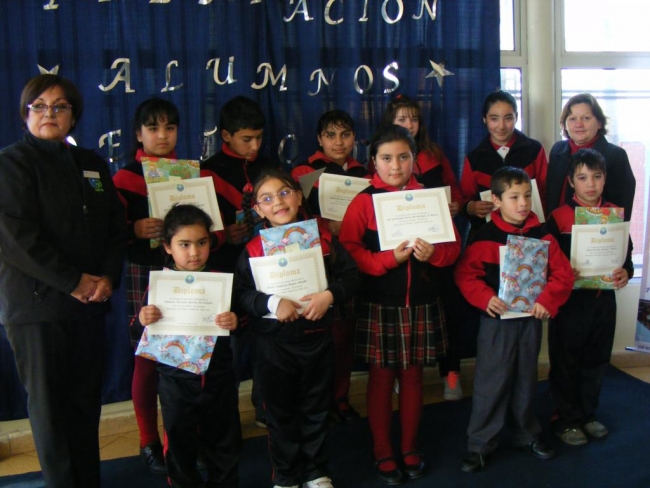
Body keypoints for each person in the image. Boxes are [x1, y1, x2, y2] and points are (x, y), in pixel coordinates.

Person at [0, 74, 126, 487]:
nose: (49, 114)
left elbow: (113, 227)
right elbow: (16, 239)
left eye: (60, 106)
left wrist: (106, 277)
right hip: (37, 309)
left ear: (74, 115)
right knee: (51, 412)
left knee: (84, 406)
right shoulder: (11, 163)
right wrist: (74, 281)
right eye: (39, 105)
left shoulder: (91, 163)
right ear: (25, 115)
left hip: (88, 304)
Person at [339, 125, 461, 485]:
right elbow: (349, 251)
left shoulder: (430, 197)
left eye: (404, 157)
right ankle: (382, 449)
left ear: (413, 159)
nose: (396, 166)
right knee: (380, 379)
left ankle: (409, 446)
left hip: (422, 302)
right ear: (373, 161)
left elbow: (453, 249)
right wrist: (387, 260)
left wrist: (434, 254)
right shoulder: (363, 201)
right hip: (381, 303)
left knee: (413, 378)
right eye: (387, 158)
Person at [235, 169, 360, 488]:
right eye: (267, 198)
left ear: (299, 195)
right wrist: (272, 302)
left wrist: (329, 295)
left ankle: (316, 472)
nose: (278, 201)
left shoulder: (325, 240)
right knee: (280, 414)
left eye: (285, 192)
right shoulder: (252, 249)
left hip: (317, 339)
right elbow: (241, 295)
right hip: (274, 347)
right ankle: (287, 476)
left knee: (317, 409)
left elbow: (352, 277)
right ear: (258, 209)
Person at [454, 166, 574, 474]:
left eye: (527, 196)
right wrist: (485, 298)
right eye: (514, 197)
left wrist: (547, 302)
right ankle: (481, 444)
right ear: (496, 200)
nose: (523, 203)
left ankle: (526, 434)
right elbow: (466, 275)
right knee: (491, 382)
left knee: (525, 379)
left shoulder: (543, 234)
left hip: (530, 321)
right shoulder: (484, 236)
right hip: (497, 323)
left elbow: (562, 275)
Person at [134, 204, 242, 488]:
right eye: (184, 244)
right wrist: (144, 318)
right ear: (167, 247)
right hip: (175, 382)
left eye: (202, 242)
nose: (194, 252)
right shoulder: (159, 285)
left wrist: (236, 321)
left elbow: (245, 321)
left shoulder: (221, 281)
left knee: (224, 443)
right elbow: (138, 327)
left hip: (218, 378)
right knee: (180, 447)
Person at [544, 149, 633, 446]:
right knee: (566, 361)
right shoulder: (558, 218)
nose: (591, 184)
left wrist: (626, 273)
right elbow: (544, 263)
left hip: (603, 301)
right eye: (583, 178)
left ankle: (588, 414)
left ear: (605, 179)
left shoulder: (615, 215)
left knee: (596, 360)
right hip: (569, 304)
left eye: (597, 177)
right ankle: (565, 419)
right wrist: (563, 272)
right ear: (571, 181)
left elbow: (626, 256)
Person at [113, 97, 182, 475]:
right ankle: (148, 440)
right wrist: (133, 230)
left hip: (186, 275)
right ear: (139, 134)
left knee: (185, 359)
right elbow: (107, 234)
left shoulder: (191, 174)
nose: (162, 135)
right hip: (145, 272)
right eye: (153, 128)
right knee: (147, 360)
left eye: (169, 127)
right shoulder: (124, 177)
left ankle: (180, 438)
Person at [201, 95, 279, 427]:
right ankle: (224, 415)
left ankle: (264, 408)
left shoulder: (269, 167)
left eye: (259, 137)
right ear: (226, 136)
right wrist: (222, 235)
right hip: (224, 269)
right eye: (247, 138)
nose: (255, 145)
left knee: (266, 344)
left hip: (265, 271)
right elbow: (194, 227)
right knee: (227, 351)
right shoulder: (207, 171)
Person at [383, 94, 464, 401]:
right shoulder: (382, 154)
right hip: (398, 245)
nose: (409, 124)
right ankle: (398, 375)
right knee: (401, 311)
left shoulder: (432, 153)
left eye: (414, 119)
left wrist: (456, 204)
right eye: (402, 119)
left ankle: (451, 372)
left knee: (449, 307)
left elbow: (453, 189)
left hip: (437, 241)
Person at [291, 109, 369, 423]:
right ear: (320, 139)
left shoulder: (364, 173)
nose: (339, 142)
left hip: (352, 263)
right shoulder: (304, 171)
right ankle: (316, 401)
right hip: (317, 263)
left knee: (345, 336)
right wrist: (327, 226)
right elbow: (292, 218)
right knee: (317, 337)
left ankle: (340, 396)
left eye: (345, 134)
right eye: (331, 135)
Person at [459, 90, 548, 240]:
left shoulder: (534, 150)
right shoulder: (475, 157)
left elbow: (545, 191)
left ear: (516, 118)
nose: (501, 126)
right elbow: (464, 199)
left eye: (508, 118)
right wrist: (471, 207)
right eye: (494, 119)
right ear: (484, 119)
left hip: (529, 235)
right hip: (489, 236)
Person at [546, 93, 636, 220]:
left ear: (599, 123)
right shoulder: (557, 150)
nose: (579, 124)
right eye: (572, 119)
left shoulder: (615, 155)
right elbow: (550, 195)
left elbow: (621, 206)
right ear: (564, 124)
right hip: (558, 229)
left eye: (586, 118)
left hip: (599, 234)